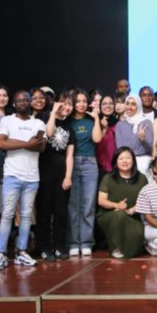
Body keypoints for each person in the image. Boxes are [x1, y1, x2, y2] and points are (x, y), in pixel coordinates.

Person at [0, 91, 47, 270]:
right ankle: (1, 254)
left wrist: (14, 142)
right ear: (14, 104)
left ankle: (21, 252)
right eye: (19, 100)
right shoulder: (7, 121)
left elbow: (41, 147)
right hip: (12, 175)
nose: (22, 102)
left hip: (32, 177)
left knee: (26, 216)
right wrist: (28, 143)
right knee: (7, 214)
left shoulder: (38, 123)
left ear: (30, 102)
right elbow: (0, 143)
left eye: (26, 100)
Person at [63, 90, 103, 258]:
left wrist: (96, 118)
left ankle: (86, 242)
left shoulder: (91, 120)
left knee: (88, 205)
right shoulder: (67, 121)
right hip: (71, 163)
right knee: (73, 206)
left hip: (90, 163)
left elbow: (97, 139)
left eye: (84, 101)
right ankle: (73, 242)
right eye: (78, 101)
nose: (81, 104)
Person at [38, 93, 74, 262]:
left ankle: (59, 246)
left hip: (62, 172)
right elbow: (49, 132)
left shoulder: (69, 128)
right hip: (45, 170)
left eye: (70, 104)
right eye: (63, 103)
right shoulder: (45, 118)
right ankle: (44, 247)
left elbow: (69, 155)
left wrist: (68, 177)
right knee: (44, 210)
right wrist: (53, 113)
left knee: (60, 212)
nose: (67, 107)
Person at [96, 148, 147, 259]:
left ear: (133, 160)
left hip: (132, 216)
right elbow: (101, 200)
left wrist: (132, 210)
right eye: (121, 158)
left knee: (137, 240)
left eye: (128, 158)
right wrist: (117, 205)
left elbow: (145, 200)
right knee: (119, 215)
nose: (125, 161)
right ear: (116, 162)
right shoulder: (108, 178)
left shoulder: (142, 178)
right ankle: (116, 248)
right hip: (110, 215)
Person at [116, 95, 154, 175]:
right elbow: (120, 148)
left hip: (143, 163)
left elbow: (150, 149)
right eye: (127, 103)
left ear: (139, 106)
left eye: (133, 104)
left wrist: (143, 140)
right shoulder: (120, 125)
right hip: (125, 163)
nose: (129, 107)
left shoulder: (145, 122)